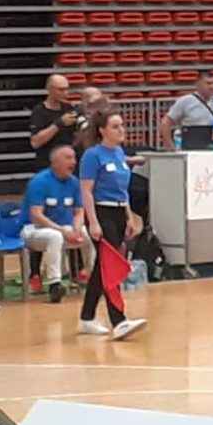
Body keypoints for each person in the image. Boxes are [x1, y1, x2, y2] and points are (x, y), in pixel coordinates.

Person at [75, 113, 149, 341]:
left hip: (118, 212)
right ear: (102, 130)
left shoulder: (118, 153)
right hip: (101, 212)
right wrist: (93, 221)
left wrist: (129, 217)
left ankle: (87, 317)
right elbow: (86, 190)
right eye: (115, 126)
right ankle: (119, 321)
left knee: (102, 267)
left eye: (122, 125)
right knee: (111, 265)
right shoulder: (92, 155)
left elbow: (122, 190)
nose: (121, 129)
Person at [23, 142, 88, 303]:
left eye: (74, 158)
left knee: (89, 234)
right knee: (55, 236)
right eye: (68, 158)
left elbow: (79, 211)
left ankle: (94, 275)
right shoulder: (39, 181)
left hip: (62, 229)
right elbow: (36, 216)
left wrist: (76, 228)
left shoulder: (74, 182)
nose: (73, 162)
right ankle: (55, 284)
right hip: (33, 229)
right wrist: (63, 231)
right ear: (55, 163)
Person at [25, 73, 82, 167]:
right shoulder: (39, 111)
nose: (65, 93)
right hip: (48, 163)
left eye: (67, 89)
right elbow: (35, 142)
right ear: (50, 89)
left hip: (68, 163)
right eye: (61, 90)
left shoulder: (69, 108)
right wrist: (58, 124)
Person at [162, 71, 213, 148]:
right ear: (198, 84)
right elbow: (165, 123)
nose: (212, 86)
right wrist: (171, 147)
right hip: (192, 143)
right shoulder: (185, 101)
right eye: (208, 83)